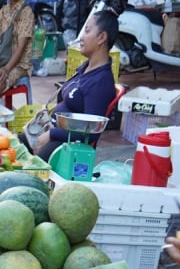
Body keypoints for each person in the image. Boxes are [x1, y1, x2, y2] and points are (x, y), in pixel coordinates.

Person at [20, 10, 118, 160]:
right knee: (9, 145)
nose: (81, 37)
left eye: (87, 31)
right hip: (51, 132)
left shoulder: (100, 83)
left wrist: (52, 134)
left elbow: (91, 133)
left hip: (65, 144)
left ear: (101, 38)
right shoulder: (85, 69)